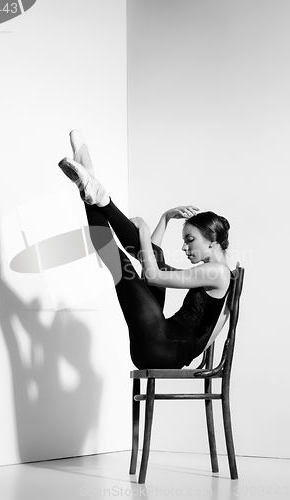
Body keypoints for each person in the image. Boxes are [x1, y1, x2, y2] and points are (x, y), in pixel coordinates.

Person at [58, 131, 232, 370]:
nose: (184, 247)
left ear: (212, 239)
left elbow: (152, 275)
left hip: (164, 349)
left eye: (190, 239)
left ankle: (95, 190)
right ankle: (90, 186)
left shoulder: (218, 273)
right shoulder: (219, 272)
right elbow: (154, 260)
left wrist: (143, 229)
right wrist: (166, 217)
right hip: (160, 340)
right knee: (151, 257)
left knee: (121, 262)